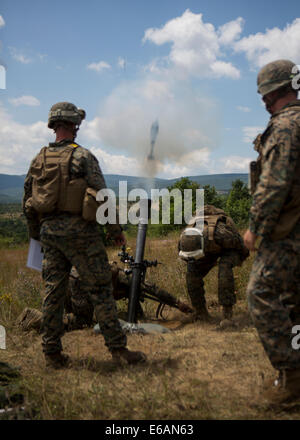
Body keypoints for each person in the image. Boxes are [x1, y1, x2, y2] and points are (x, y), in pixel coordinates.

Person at [23, 101, 146, 368]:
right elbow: (102, 195)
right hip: (82, 234)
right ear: (73, 125)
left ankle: (52, 354)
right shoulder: (83, 156)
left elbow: (28, 202)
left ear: (54, 125)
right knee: (101, 289)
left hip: (49, 234)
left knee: (53, 293)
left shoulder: (38, 158)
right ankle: (118, 350)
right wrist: (115, 231)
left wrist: (37, 237)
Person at [244, 59, 300, 404]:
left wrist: (255, 228)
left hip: (287, 232)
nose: (264, 100)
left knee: (260, 293)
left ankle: (292, 379)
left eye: (266, 94)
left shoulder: (284, 127)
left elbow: (274, 185)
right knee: (293, 303)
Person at [178, 205, 249, 324]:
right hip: (207, 249)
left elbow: (241, 247)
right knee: (192, 272)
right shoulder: (184, 239)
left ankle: (227, 314)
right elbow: (187, 257)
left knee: (224, 268)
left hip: (228, 249)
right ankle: (200, 313)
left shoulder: (221, 234)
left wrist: (240, 258)